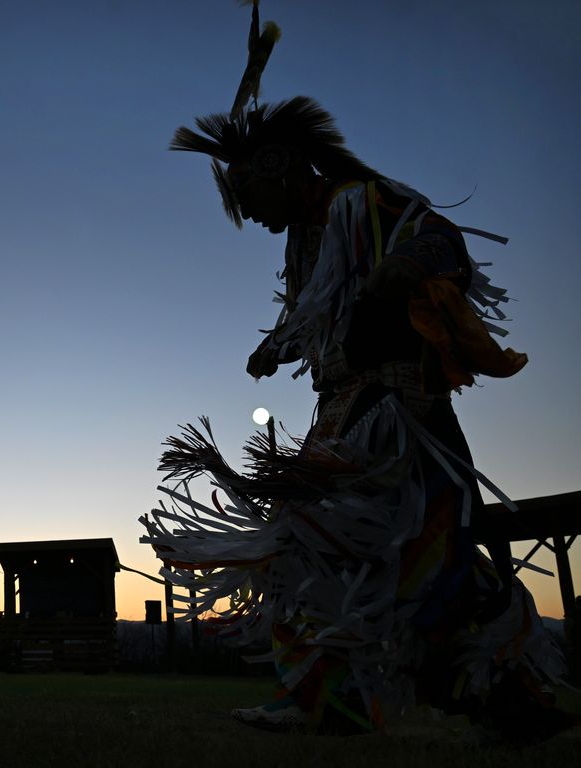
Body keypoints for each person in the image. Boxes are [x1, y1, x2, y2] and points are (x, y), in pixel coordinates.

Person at [143, 1, 570, 740]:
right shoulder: (308, 239)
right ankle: (344, 698)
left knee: (413, 564)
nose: (254, 215)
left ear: (277, 166)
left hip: (401, 421)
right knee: (347, 552)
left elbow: (440, 239)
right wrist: (276, 345)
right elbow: (314, 313)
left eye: (251, 196)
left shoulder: (362, 203)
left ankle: (506, 704)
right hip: (349, 419)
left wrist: (399, 270)